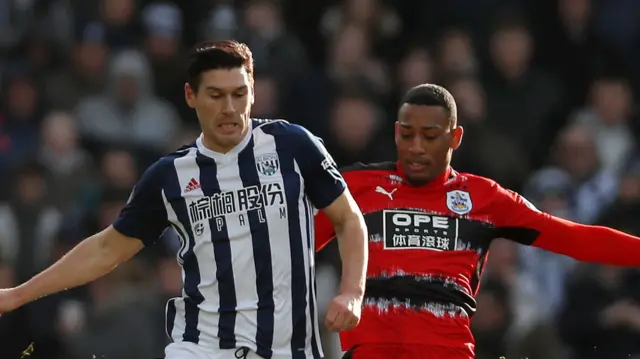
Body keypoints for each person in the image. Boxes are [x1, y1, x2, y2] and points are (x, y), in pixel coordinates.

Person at [0, 40, 369, 359]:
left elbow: (349, 219)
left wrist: (352, 291)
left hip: (288, 348)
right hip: (200, 345)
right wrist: (18, 294)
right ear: (191, 96)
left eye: (239, 93)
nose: (230, 107)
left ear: (253, 92)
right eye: (216, 95)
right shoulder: (169, 175)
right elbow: (105, 249)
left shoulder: (293, 146)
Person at [314, 83, 640, 359]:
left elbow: (573, 237)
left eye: (430, 136)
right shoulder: (356, 185)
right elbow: (295, 242)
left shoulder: (485, 198)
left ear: (455, 137)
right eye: (408, 135)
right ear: (396, 133)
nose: (416, 147)